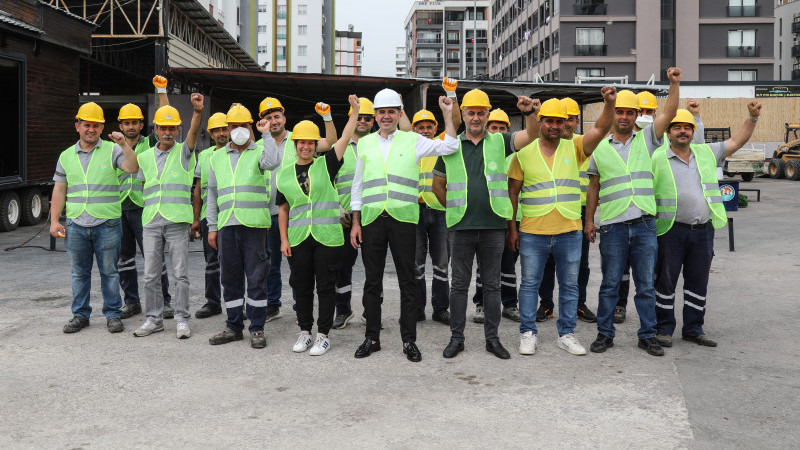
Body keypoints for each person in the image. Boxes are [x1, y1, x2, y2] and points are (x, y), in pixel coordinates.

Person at [350, 88, 459, 362]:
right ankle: (371, 337)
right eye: (381, 112)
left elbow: (451, 146)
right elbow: (357, 186)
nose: (386, 116)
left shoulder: (413, 140)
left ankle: (408, 340)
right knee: (372, 283)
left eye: (391, 112)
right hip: (372, 220)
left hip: (404, 220)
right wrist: (355, 221)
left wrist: (448, 113)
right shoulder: (364, 144)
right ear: (374, 116)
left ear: (400, 114)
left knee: (407, 282)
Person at [507, 88, 616, 356]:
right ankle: (528, 332)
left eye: (560, 121)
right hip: (533, 231)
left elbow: (601, 128)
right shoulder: (524, 152)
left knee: (569, 285)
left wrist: (609, 103)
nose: (555, 126)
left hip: (568, 229)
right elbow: (512, 193)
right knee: (530, 284)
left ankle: (566, 334)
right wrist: (512, 228)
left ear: (566, 123)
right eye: (550, 120)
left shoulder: (576, 147)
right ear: (540, 121)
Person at [433, 89, 540, 360]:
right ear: (464, 114)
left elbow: (532, 135)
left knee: (492, 285)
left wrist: (529, 112)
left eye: (482, 112)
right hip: (460, 225)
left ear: (488, 114)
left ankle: (492, 339)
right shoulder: (450, 144)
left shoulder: (501, 141)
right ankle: (457, 339)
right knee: (459, 285)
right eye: (471, 112)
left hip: (493, 224)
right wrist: (457, 207)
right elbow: (437, 185)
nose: (477, 117)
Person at [583, 68, 682, 357]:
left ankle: (647, 335)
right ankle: (605, 334)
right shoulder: (600, 147)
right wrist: (589, 220)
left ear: (637, 115)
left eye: (630, 112)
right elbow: (593, 186)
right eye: (620, 112)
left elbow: (670, 112)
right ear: (612, 114)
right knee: (610, 284)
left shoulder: (648, 138)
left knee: (645, 286)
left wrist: (674, 84)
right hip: (613, 226)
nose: (624, 117)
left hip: (643, 225)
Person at [652, 101, 761, 348]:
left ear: (693, 132)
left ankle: (693, 328)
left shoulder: (706, 152)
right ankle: (663, 328)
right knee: (665, 281)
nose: (682, 131)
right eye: (677, 127)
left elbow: (737, 142)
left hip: (702, 230)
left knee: (698, 281)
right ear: (668, 132)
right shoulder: (657, 157)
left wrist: (752, 118)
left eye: (687, 127)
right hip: (670, 230)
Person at [277, 95, 361, 356]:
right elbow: (283, 209)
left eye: (310, 142)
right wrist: (283, 239)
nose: (306, 146)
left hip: (327, 237)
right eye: (301, 142)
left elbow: (344, 137)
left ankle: (323, 335)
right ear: (295, 144)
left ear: (316, 145)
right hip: (299, 238)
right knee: (301, 286)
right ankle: (305, 331)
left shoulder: (328, 164)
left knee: (325, 287)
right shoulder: (284, 173)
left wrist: (354, 112)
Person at [613, 95, 707, 324]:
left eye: (650, 111)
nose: (647, 115)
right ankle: (619, 305)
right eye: (642, 111)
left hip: (650, 218)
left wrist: (695, 117)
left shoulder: (659, 139)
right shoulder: (627, 140)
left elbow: (695, 146)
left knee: (651, 274)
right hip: (623, 213)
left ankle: (657, 322)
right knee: (620, 269)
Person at [51, 102, 139, 333]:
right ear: (77, 126)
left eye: (96, 125)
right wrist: (54, 221)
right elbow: (59, 189)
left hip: (107, 224)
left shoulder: (112, 150)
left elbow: (131, 168)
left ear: (102, 128)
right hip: (76, 224)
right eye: (87, 125)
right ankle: (80, 315)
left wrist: (124, 145)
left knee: (109, 272)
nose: (91, 129)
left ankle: (112, 314)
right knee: (79, 273)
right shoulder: (66, 156)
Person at [206, 105, 280, 348]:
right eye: (234, 126)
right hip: (228, 226)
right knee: (230, 279)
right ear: (227, 129)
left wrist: (266, 134)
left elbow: (272, 162)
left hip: (254, 225)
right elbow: (213, 194)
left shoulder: (259, 151)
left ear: (251, 127)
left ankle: (257, 329)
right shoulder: (216, 157)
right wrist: (212, 227)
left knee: (257, 278)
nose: (239, 130)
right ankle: (233, 325)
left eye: (244, 126)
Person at [257, 98, 338, 322]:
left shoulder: (301, 139)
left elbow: (330, 142)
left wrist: (327, 116)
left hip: (300, 216)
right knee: (271, 263)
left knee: (298, 268)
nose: (273, 122)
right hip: (270, 212)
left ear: (284, 117)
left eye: (276, 117)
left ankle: (299, 304)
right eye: (267, 118)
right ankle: (273, 304)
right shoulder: (260, 144)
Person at [132, 94, 203, 339]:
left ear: (178, 130)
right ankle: (154, 319)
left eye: (173, 128)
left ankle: (182, 319)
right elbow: (143, 186)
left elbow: (194, 133)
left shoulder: (184, 153)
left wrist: (197, 111)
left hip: (177, 222)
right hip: (151, 221)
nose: (168, 132)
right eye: (163, 127)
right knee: (151, 274)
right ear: (155, 129)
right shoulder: (143, 157)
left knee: (180, 274)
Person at [117, 76, 174, 320]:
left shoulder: (151, 142)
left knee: (154, 259)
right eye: (126, 123)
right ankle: (131, 302)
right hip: (119, 208)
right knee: (124, 259)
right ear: (120, 125)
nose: (131, 126)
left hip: (144, 208)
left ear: (142, 125)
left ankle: (165, 302)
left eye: (135, 123)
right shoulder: (113, 147)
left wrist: (161, 91)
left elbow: (165, 116)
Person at [536, 97, 597, 324]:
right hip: (550, 208)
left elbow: (596, 181)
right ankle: (546, 304)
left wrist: (589, 216)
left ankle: (578, 304)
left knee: (579, 263)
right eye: (564, 119)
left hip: (579, 211)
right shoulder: (544, 145)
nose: (567, 124)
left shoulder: (584, 144)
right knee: (547, 261)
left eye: (571, 119)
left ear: (577, 120)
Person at [471, 108, 522, 324]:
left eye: (503, 128)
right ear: (488, 129)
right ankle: (481, 304)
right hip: (490, 216)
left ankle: (510, 305)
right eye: (495, 127)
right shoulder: (483, 151)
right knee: (485, 264)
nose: (499, 131)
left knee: (508, 264)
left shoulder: (517, 155)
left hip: (514, 216)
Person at [332, 97, 374, 330]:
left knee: (373, 266)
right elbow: (326, 182)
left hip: (374, 216)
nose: (363, 121)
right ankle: (343, 310)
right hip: (345, 219)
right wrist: (334, 207)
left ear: (373, 120)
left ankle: (371, 311)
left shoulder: (379, 145)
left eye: (368, 117)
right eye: (359, 116)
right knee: (342, 267)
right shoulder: (340, 147)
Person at [413, 107, 452, 325]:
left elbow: (454, 121)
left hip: (439, 210)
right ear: (414, 129)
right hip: (415, 211)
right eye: (421, 127)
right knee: (416, 264)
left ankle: (441, 309)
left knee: (441, 262)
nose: (425, 130)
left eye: (429, 127)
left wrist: (449, 103)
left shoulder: (441, 143)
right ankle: (417, 309)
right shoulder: (408, 146)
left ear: (436, 129)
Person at [190, 112, 229, 319]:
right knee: (211, 261)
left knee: (235, 263)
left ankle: (238, 304)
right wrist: (196, 219)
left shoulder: (237, 153)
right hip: (208, 217)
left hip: (231, 215)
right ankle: (213, 303)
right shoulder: (204, 156)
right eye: (217, 130)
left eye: (225, 129)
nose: (221, 133)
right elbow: (198, 190)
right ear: (211, 134)